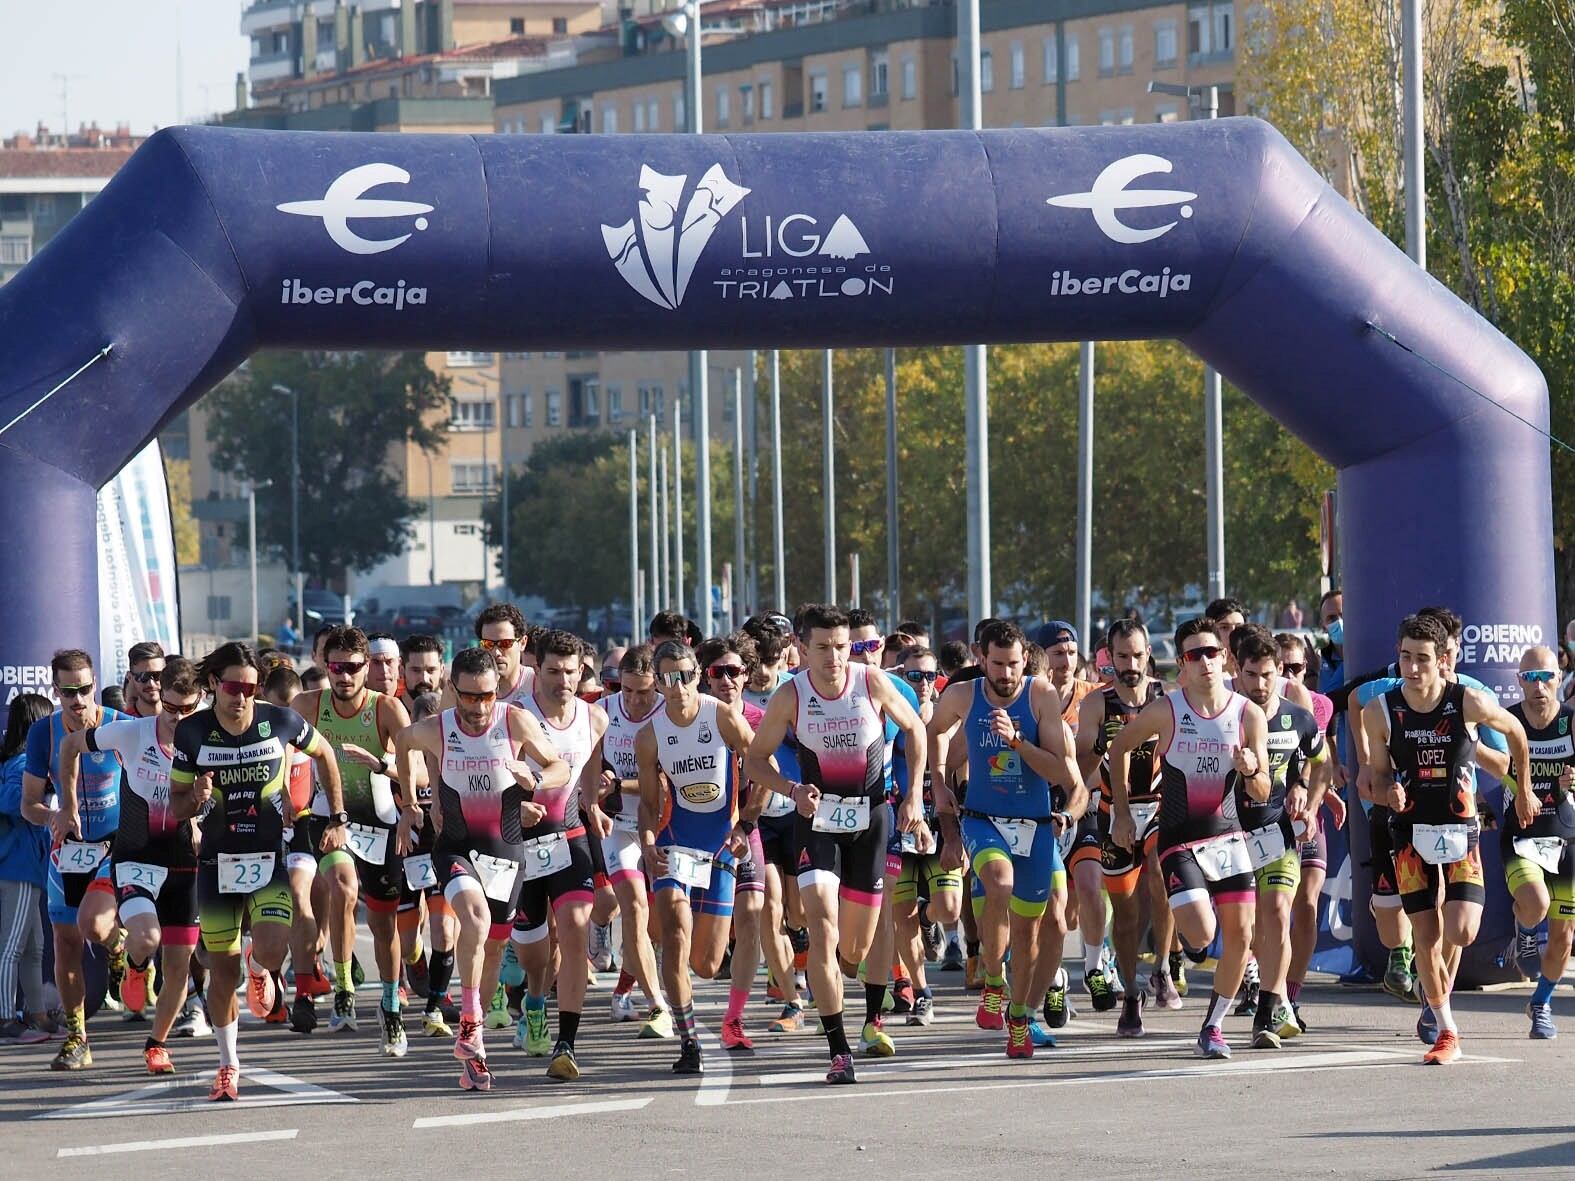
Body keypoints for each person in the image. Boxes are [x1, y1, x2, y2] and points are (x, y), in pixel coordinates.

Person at [745, 603, 926, 1085]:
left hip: (871, 818)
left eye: (841, 647)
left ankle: (863, 1000)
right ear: (802, 649)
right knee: (821, 926)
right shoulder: (791, 695)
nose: (833, 658)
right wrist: (791, 791)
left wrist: (913, 797)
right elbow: (755, 762)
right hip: (817, 820)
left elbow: (916, 728)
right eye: (822, 648)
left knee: (854, 948)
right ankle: (838, 1049)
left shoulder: (871, 683)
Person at [169, 641, 346, 1101]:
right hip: (216, 864)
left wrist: (338, 816)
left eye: (250, 688)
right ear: (214, 685)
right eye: (232, 686)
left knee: (270, 948)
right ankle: (228, 1065)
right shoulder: (192, 733)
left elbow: (326, 755)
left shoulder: (280, 721)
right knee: (221, 974)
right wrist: (198, 799)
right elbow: (175, 804)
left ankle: (260, 967)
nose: (241, 696)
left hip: (268, 858)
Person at [393, 646, 571, 1092]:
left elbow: (559, 765)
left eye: (486, 696)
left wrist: (536, 780)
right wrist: (412, 804)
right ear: (454, 690)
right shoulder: (438, 727)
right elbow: (402, 742)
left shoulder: (514, 720)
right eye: (469, 697)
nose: (478, 708)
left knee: (492, 951)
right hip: (455, 849)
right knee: (473, 917)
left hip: (507, 854)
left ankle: (475, 1050)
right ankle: (470, 1024)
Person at [1360, 613, 1529, 1065]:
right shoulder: (1380, 711)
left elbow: (1514, 734)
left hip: (1460, 832)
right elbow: (1375, 777)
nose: (1412, 669)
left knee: (1462, 930)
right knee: (1426, 935)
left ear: (1441, 662)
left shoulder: (1466, 701)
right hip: (1410, 836)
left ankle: (1434, 992)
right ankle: (1445, 1028)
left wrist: (1525, 788)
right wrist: (1387, 790)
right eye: (1404, 658)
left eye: (1422, 660)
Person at [1108, 618, 1272, 1061]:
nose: (1205, 662)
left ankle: (1214, 1025)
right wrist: (1121, 812)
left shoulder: (1247, 714)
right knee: (1202, 933)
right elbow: (1119, 748)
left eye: (1212, 652)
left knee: (1240, 935)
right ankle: (1188, 946)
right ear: (1181, 665)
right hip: (1179, 838)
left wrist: (1251, 768)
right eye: (1194, 655)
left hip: (1228, 835)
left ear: (1226, 659)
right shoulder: (1168, 710)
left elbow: (1262, 791)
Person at [929, 620, 1082, 1058]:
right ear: (982, 658)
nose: (1006, 673)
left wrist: (1016, 741)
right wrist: (940, 784)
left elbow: (1061, 773)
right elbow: (933, 732)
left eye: (1014, 664)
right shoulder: (963, 695)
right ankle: (993, 981)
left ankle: (1019, 1017)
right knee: (998, 883)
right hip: (983, 818)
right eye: (997, 664)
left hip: (1033, 822)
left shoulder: (1041, 696)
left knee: (1030, 929)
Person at [58, 658, 205, 1073]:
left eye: (187, 710)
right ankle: (136, 966)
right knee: (146, 937)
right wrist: (69, 805)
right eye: (171, 708)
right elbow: (70, 746)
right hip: (137, 856)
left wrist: (201, 813)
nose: (177, 718)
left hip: (184, 866)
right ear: (157, 698)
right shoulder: (132, 732)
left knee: (180, 965)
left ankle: (156, 1044)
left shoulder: (209, 739)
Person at [638, 639, 764, 1074]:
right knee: (674, 934)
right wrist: (648, 842)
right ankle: (689, 1040)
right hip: (675, 840)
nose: (678, 687)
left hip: (719, 844)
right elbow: (650, 805)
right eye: (668, 679)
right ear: (658, 682)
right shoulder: (649, 735)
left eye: (686, 676)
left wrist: (745, 823)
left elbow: (763, 767)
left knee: (707, 964)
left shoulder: (721, 716)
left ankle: (693, 995)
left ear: (697, 676)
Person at [292, 625, 415, 1054]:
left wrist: (380, 764)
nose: (344, 676)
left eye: (353, 668)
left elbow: (413, 774)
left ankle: (389, 1007)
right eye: (336, 667)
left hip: (378, 821)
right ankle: (343, 986)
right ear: (326, 667)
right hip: (329, 817)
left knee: (384, 925)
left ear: (367, 669)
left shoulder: (388, 710)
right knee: (343, 886)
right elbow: (282, 757)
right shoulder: (308, 705)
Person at [21, 648, 130, 1070]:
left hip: (113, 844)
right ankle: (77, 1039)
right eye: (68, 691)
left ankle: (116, 944)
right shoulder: (42, 734)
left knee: (96, 924)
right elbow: (30, 804)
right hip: (67, 850)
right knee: (66, 942)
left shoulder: (121, 725)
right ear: (56, 691)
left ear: (94, 683)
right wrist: (56, 815)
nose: (78, 699)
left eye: (85, 688)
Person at [511, 629, 607, 1081]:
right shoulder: (514, 715)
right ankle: (534, 998)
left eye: (572, 672)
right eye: (553, 671)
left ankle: (566, 1043)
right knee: (533, 954)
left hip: (569, 837)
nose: (563, 680)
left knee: (574, 928)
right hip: (518, 843)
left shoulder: (595, 719)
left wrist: (595, 808)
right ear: (536, 666)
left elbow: (588, 775)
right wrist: (515, 806)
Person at [1229, 630, 1329, 1048]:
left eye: (1268, 675)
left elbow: (1322, 762)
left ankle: (1269, 1011)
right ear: (1238, 671)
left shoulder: (1297, 715)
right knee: (1246, 928)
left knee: (1277, 913)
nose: (1260, 684)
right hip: (1229, 832)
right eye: (1252, 674)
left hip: (1277, 831)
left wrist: (1308, 794)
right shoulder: (1225, 714)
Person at [1076, 618, 1172, 1037]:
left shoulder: (1166, 697)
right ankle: (1132, 991)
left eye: (1137, 655)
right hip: (1116, 814)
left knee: (1160, 876)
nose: (1130, 664)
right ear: (1109, 658)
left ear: (1148, 653)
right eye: (1121, 656)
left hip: (1161, 807)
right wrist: (1100, 748)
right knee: (1128, 911)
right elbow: (1081, 764)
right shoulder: (1097, 704)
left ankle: (1165, 966)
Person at [586, 645, 671, 1038]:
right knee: (634, 909)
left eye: (645, 692)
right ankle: (658, 1004)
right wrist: (594, 802)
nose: (636, 701)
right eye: (628, 690)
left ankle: (623, 990)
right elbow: (588, 769)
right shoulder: (604, 712)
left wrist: (619, 782)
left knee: (659, 926)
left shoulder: (669, 713)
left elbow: (666, 779)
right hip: (619, 827)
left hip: (660, 824)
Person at [696, 632, 771, 1050]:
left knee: (752, 914)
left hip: (743, 830)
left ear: (747, 674)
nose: (727, 680)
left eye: (735, 671)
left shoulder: (760, 720)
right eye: (717, 672)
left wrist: (745, 824)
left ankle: (735, 1018)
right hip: (695, 835)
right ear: (705, 677)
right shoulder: (690, 716)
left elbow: (766, 778)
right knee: (701, 952)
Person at [1501, 645, 1575, 1038]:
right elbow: (1485, 760)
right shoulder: (1508, 722)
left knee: (1563, 935)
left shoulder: (1570, 722)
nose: (1539, 686)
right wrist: (1518, 787)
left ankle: (1542, 1003)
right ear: (1519, 682)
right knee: (1536, 904)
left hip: (1567, 835)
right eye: (1530, 678)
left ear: (1559, 677)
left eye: (1546, 676)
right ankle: (1525, 928)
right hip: (1523, 832)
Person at [1038, 620, 1108, 1024]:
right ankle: (1055, 977)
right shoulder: (1034, 697)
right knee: (1055, 907)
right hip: (1041, 811)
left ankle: (1096, 967)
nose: (1065, 660)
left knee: (1089, 887)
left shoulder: (1094, 697)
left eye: (1070, 652)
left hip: (1084, 807)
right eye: (1057, 652)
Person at [262, 664, 333, 1033]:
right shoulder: (254, 730)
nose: (284, 718)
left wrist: (337, 814)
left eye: (291, 709)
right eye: (277, 709)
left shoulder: (304, 730)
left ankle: (304, 994)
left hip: (301, 821)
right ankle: (271, 979)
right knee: (267, 915)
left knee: (299, 896)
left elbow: (328, 761)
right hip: (260, 828)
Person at [891, 645, 959, 1026]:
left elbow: (963, 771)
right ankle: (922, 993)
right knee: (903, 915)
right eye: (913, 676)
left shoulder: (948, 717)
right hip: (899, 824)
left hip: (939, 822)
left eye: (929, 676)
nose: (921, 683)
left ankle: (931, 920)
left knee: (948, 908)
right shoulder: (889, 717)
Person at [0, 694, 54, 1045]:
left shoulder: (18, 762)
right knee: (12, 947)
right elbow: (12, 801)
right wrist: (48, 809)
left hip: (26, 867)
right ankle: (6, 1018)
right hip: (17, 867)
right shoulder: (22, 764)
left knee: (34, 947)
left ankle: (37, 1014)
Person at [121, 641, 165, 719]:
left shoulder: (179, 719)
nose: (151, 684)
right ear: (130, 677)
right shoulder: (123, 723)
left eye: (157, 675)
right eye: (143, 676)